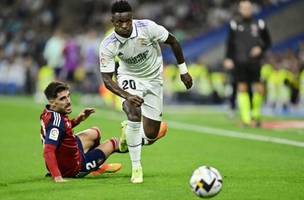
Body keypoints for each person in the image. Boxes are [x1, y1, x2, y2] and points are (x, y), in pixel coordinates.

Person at [99, 0, 193, 183]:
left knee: (151, 134)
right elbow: (106, 79)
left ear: (132, 17)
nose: (124, 25)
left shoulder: (148, 27)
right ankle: (137, 168)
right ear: (112, 21)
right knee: (133, 111)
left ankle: (129, 133)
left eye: (127, 20)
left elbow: (173, 41)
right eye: (119, 22)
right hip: (129, 78)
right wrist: (127, 95)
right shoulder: (108, 44)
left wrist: (183, 71)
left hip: (154, 80)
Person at [40, 81, 127, 183]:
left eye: (68, 96)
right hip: (73, 168)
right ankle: (142, 141)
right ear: (51, 102)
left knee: (95, 132)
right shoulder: (56, 122)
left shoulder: (49, 112)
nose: (68, 101)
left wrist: (77, 120)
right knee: (115, 143)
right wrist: (57, 176)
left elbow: (62, 129)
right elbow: (48, 151)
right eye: (62, 99)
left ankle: (95, 166)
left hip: (65, 156)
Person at [223, 0, 271, 126]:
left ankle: (255, 115)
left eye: (248, 8)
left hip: (255, 61)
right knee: (242, 87)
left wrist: (260, 48)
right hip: (240, 62)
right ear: (240, 9)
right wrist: (228, 58)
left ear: (252, 8)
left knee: (259, 87)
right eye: (244, 8)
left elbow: (268, 41)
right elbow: (230, 44)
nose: (246, 10)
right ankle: (246, 118)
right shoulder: (234, 24)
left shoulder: (260, 23)